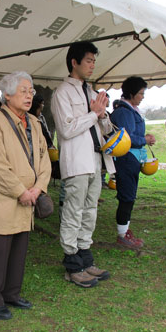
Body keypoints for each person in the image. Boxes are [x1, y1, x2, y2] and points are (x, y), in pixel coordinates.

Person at [0, 71, 51, 320]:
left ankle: (11, 293)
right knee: (0, 249)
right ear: (7, 95)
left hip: (29, 196)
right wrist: (20, 191)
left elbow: (45, 160)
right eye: (23, 91)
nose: (29, 95)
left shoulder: (34, 122)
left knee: (19, 248)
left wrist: (38, 188)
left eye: (31, 91)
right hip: (4, 198)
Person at [51, 41, 113, 288]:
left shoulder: (91, 92)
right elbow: (66, 129)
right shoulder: (62, 93)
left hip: (95, 160)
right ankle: (72, 264)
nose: (92, 65)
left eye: (94, 60)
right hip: (76, 161)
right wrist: (93, 114)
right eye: (88, 60)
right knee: (73, 211)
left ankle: (86, 259)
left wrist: (103, 115)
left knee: (90, 210)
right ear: (74, 62)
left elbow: (104, 128)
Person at [110, 76, 156, 249]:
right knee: (127, 197)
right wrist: (144, 139)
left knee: (129, 195)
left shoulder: (130, 110)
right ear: (131, 93)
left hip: (132, 158)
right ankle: (122, 234)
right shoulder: (124, 112)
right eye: (140, 93)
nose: (142, 96)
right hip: (127, 158)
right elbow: (126, 138)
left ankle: (125, 230)